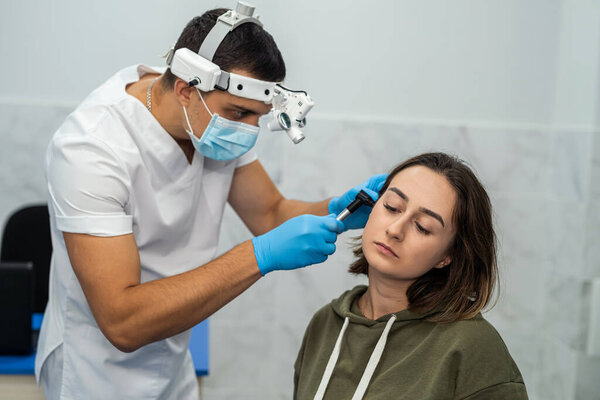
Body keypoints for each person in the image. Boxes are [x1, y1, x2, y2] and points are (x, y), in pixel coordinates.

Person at [34, 5, 385, 400]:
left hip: (173, 355)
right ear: (186, 89)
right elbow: (123, 322)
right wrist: (258, 257)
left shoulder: (208, 122)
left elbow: (270, 212)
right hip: (95, 372)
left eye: (257, 117)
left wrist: (343, 208)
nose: (247, 132)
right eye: (238, 113)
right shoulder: (91, 150)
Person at [294, 152, 529, 400]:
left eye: (423, 227)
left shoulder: (472, 347)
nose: (395, 230)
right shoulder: (325, 323)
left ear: (446, 256)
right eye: (392, 207)